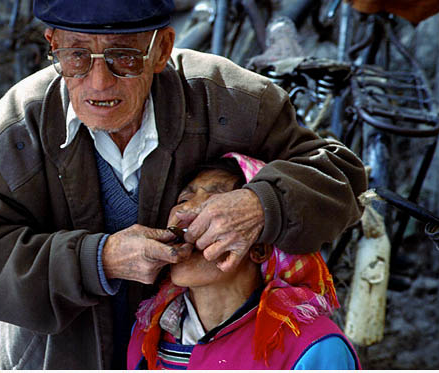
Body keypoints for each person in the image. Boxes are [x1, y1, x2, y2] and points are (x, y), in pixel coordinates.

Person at [0, 0, 367, 369]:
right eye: (76, 56)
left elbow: (341, 175)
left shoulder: (231, 102)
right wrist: (97, 259)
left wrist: (260, 204)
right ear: (53, 45)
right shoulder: (15, 131)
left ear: (161, 50)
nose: (99, 82)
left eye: (124, 57)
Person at [127, 153, 360, 369]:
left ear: (258, 249)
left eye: (214, 201)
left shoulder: (311, 348)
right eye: (183, 198)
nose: (185, 209)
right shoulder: (148, 334)